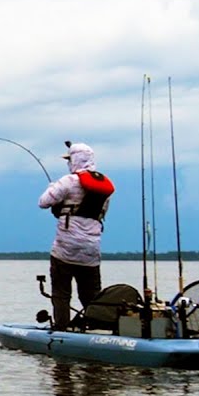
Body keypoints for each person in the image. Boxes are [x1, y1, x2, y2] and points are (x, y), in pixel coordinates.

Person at [38, 141, 114, 331]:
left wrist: (52, 187)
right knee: (92, 294)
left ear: (75, 160)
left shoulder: (68, 181)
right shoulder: (104, 187)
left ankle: (61, 328)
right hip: (92, 249)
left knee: (61, 292)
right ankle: (97, 328)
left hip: (65, 247)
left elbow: (43, 202)